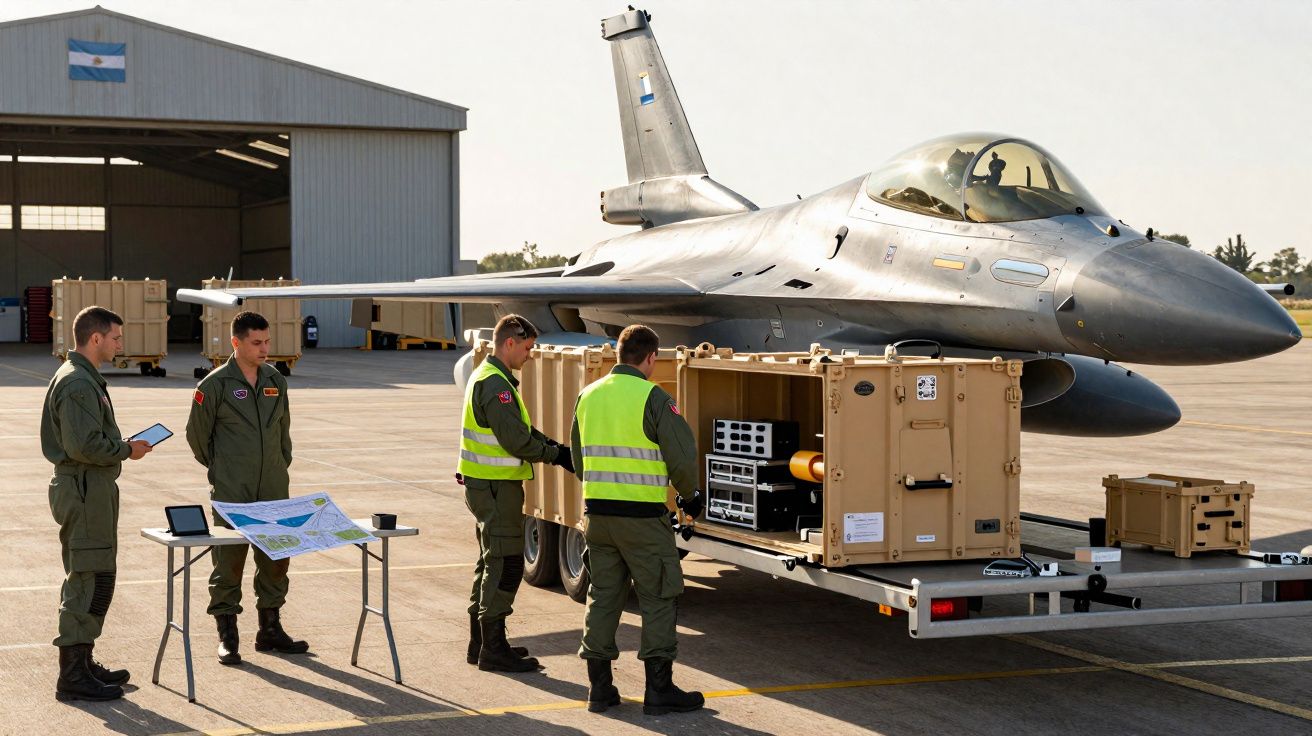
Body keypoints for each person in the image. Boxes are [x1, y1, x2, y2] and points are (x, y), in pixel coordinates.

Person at [570, 324, 705, 716]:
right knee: (659, 598)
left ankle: (600, 690)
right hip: (643, 521)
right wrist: (691, 497)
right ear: (650, 358)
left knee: (603, 598)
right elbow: (680, 457)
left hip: (598, 517)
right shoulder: (654, 398)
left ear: (618, 354)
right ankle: (659, 691)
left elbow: (579, 461)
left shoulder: (587, 396)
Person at [42, 306, 153, 701]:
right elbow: (83, 445)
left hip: (94, 489)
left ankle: (83, 660)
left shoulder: (85, 378)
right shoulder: (77, 384)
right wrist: (127, 449)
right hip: (85, 489)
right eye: (116, 338)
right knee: (86, 578)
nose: (120, 344)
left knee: (99, 575)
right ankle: (72, 675)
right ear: (95, 339)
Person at [186, 311, 304, 666]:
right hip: (232, 491)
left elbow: (283, 431)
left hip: (272, 489)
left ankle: (270, 629)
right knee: (228, 564)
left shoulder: (275, 380)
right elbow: (198, 438)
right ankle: (228, 636)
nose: (265, 348)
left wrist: (279, 463)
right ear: (236, 343)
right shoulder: (214, 386)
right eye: (257, 343)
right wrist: (223, 469)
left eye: (267, 341)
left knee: (275, 560)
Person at [458, 314, 573, 672]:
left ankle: (482, 642)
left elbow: (520, 431)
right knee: (505, 564)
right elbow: (517, 441)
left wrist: (553, 446)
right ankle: (492, 648)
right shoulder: (496, 386)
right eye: (527, 347)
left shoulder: (490, 377)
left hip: (488, 486)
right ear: (509, 343)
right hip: (495, 488)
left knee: (490, 561)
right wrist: (558, 455)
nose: (529, 354)